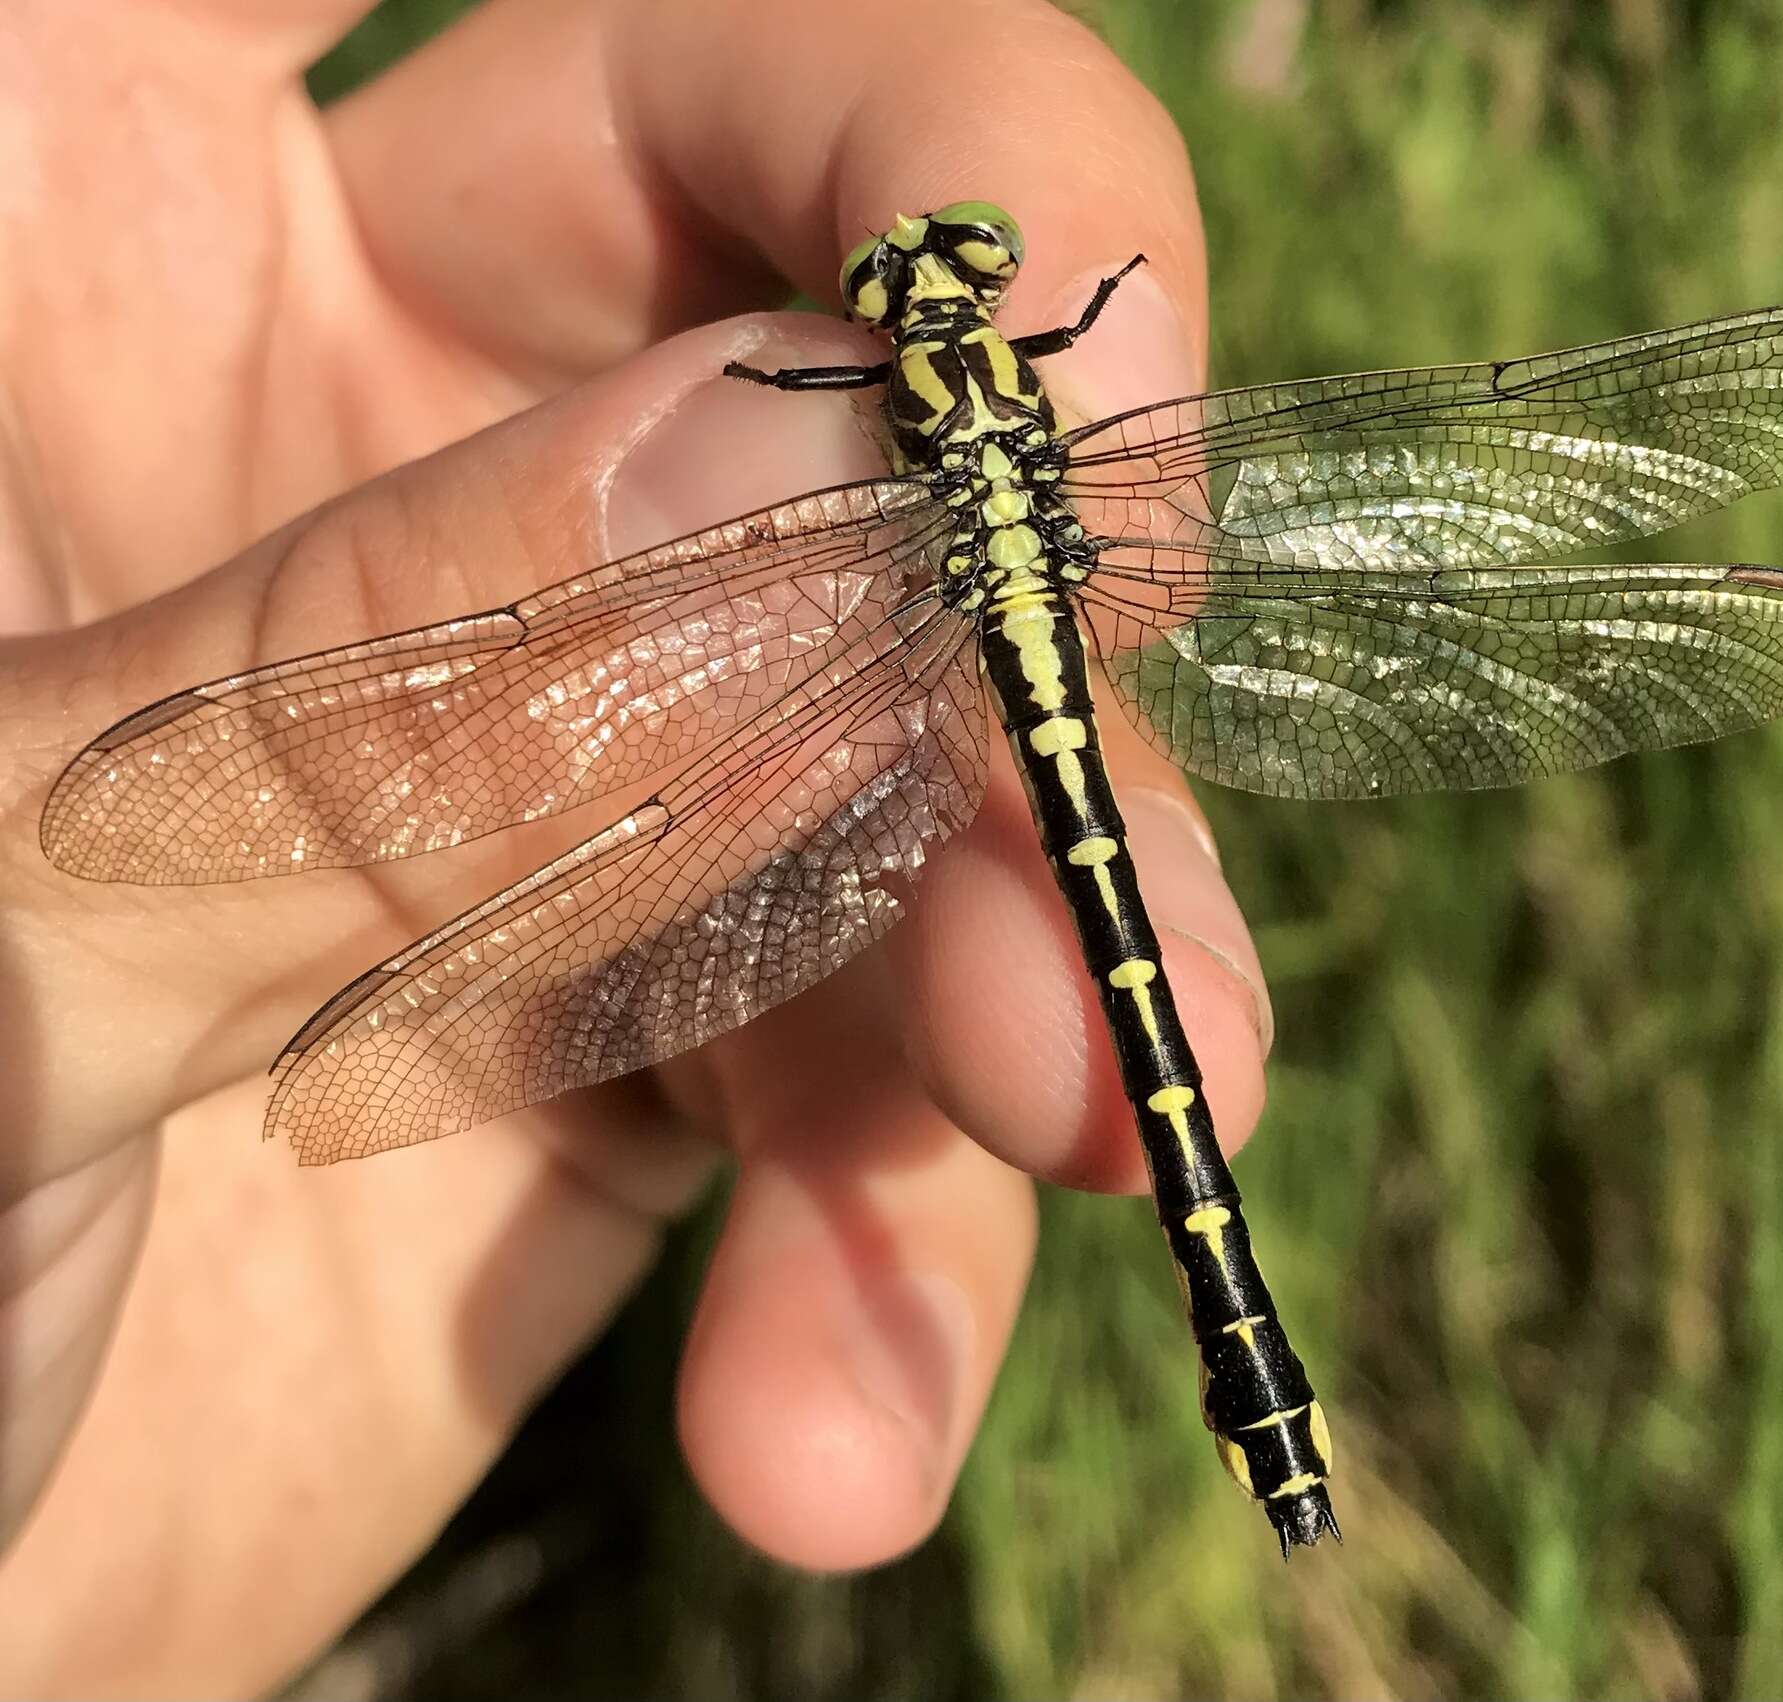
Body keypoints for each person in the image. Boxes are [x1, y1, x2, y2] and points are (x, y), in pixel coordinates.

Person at [0, 1, 1271, 1691]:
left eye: (940, 271)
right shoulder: (1013, 401)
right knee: (1102, 957)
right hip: (1018, 616)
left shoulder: (858, 397)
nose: (919, 279)